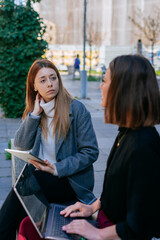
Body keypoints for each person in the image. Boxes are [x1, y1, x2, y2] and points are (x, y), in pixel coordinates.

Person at [60, 55, 160, 240]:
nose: (100, 86)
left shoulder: (142, 146)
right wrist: (92, 207)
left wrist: (96, 234)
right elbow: (116, 190)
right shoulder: (127, 132)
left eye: (104, 81)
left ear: (122, 90)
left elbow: (139, 225)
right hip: (103, 221)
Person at [0, 59, 99, 240]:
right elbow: (21, 144)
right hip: (42, 179)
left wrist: (56, 169)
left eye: (53, 78)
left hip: (69, 181)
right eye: (43, 80)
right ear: (34, 86)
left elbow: (90, 152)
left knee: (23, 189)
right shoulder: (36, 112)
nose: (50, 84)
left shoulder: (76, 109)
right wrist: (35, 115)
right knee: (24, 204)